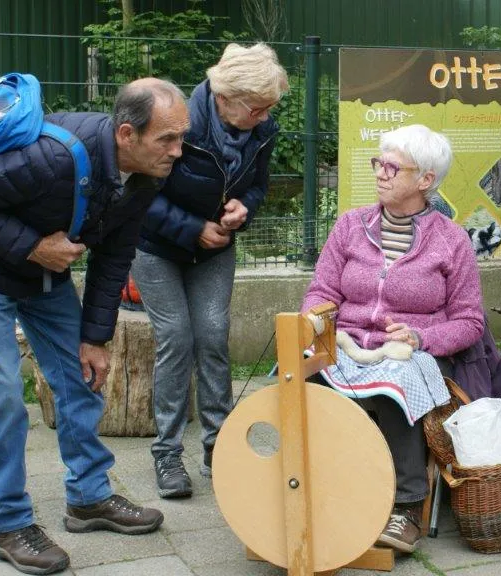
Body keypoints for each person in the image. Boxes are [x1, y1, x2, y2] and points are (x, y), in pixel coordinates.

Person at [0, 77, 190, 575]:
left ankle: (88, 498)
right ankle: (8, 523)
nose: (178, 151)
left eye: (181, 137)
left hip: (43, 270)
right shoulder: (52, 158)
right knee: (2, 396)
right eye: (168, 139)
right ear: (126, 134)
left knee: (82, 375)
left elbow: (114, 256)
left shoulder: (143, 176)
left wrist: (95, 338)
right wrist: (31, 245)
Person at [301, 124, 484, 554]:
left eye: (392, 167)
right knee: (304, 373)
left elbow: (470, 322)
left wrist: (421, 336)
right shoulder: (350, 226)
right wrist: (314, 321)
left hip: (410, 354)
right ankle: (314, 491)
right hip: (347, 343)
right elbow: (322, 292)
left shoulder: (451, 241)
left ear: (425, 180)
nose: (380, 173)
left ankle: (405, 506)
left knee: (393, 387)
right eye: (378, 163)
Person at [131, 42, 288, 498]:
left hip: (216, 249)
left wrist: (245, 208)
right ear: (225, 98)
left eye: (268, 108)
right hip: (157, 246)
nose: (263, 116)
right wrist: (193, 228)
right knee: (177, 339)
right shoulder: (178, 124)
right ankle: (167, 456)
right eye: (257, 108)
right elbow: (139, 193)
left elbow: (259, 185)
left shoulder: (261, 128)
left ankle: (219, 449)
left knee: (214, 337)